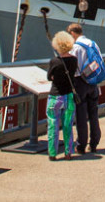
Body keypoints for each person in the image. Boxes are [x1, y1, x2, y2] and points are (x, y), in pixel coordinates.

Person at [67, 22, 101, 154]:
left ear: (72, 34)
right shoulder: (93, 44)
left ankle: (81, 145)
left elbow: (72, 67)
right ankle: (94, 143)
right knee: (93, 114)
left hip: (80, 83)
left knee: (81, 115)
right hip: (93, 82)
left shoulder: (75, 47)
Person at [46, 31, 78, 161]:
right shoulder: (74, 60)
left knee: (53, 124)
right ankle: (68, 152)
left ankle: (52, 154)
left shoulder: (54, 61)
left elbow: (49, 77)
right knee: (68, 125)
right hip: (69, 96)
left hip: (55, 96)